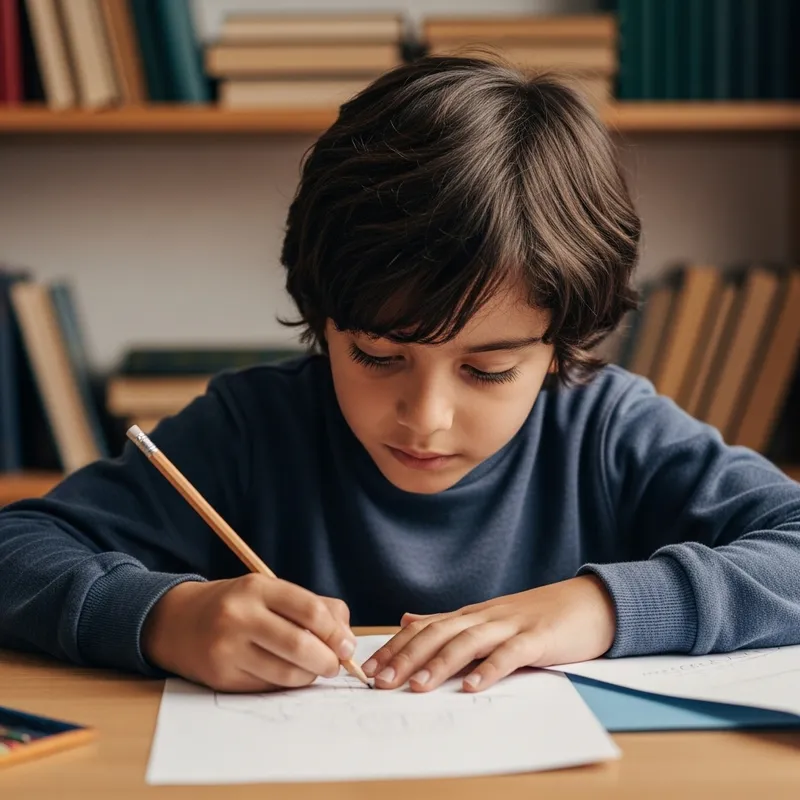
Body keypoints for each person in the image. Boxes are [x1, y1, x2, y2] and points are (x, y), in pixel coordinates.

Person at [1, 56, 799, 697]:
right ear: (324, 320)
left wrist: (600, 607)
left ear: (559, 346)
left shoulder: (608, 432)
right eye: (378, 358)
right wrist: (162, 618)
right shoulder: (251, 431)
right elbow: (17, 547)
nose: (427, 417)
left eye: (487, 370)